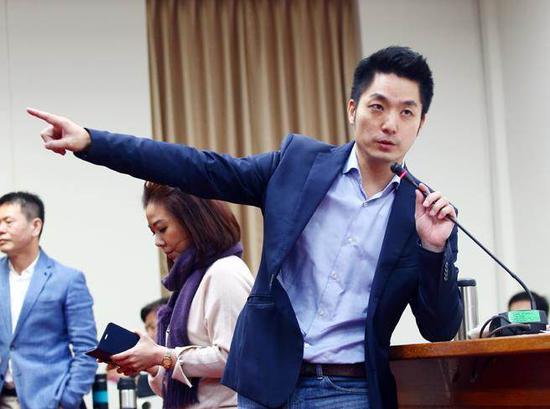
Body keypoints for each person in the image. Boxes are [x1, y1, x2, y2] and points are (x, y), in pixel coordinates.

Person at [27, 45, 462, 409]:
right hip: (266, 385)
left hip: (349, 391)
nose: (390, 124)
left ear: (421, 123)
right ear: (353, 109)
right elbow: (198, 167)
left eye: (407, 112)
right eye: (378, 106)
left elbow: (439, 328)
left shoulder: (425, 214)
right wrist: (92, 143)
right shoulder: (298, 165)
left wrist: (433, 249)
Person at [110, 183, 253, 408]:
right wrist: (152, 364)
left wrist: (162, 356)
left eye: (162, 228)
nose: (157, 241)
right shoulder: (188, 284)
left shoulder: (224, 272)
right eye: (153, 232)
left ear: (193, 221)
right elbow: (183, 388)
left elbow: (235, 358)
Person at [0, 192, 97, 409]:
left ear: (35, 226)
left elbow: (87, 348)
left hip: (49, 400)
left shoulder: (67, 280)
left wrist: (67, 399)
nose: (1, 229)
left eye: (8, 221)